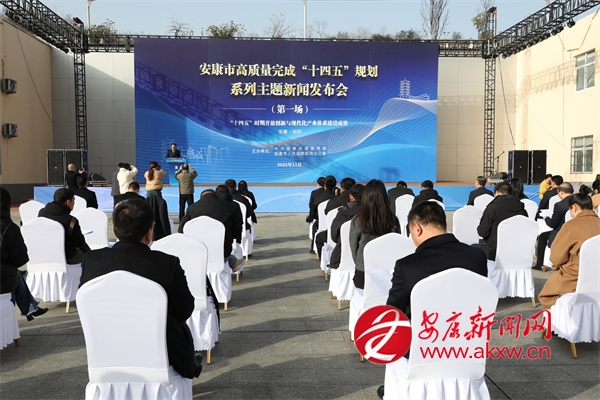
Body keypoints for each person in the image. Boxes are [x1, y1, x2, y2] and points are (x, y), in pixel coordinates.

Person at [378, 201, 488, 400]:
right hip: (467, 347)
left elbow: (393, 313)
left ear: (417, 228)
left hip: (421, 353)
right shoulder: (477, 257)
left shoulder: (406, 266)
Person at [79, 199, 200, 379]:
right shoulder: (167, 263)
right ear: (149, 233)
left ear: (113, 229)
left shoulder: (91, 260)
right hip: (158, 350)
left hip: (106, 346)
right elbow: (185, 310)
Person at [538, 186, 600, 309]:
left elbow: (556, 257)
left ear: (574, 208)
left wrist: (558, 267)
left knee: (546, 295)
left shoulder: (570, 225)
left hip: (575, 277)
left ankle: (559, 319)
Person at [0, 188, 48, 321]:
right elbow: (20, 259)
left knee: (13, 272)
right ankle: (30, 307)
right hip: (3, 283)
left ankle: (30, 307)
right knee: (14, 272)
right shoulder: (8, 227)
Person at [349, 179, 400, 289]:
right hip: (388, 274)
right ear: (384, 197)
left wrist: (360, 264)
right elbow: (397, 245)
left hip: (363, 275)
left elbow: (354, 248)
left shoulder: (357, 221)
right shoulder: (393, 221)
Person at [178, 189, 244, 271]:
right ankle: (232, 261)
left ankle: (232, 261)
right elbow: (237, 228)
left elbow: (181, 230)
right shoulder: (229, 207)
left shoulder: (191, 208)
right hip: (222, 250)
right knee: (222, 250)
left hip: (197, 251)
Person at [475, 182, 528, 261]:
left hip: (494, 250)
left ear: (497, 192)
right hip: (517, 251)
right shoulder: (522, 210)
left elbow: (482, 232)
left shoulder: (492, 208)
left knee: (472, 249)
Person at [38, 188, 91, 264]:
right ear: (68, 202)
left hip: (44, 253)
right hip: (65, 257)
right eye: (73, 200)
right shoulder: (71, 221)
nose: (74, 203)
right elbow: (80, 243)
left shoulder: (41, 213)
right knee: (85, 255)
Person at [534, 183, 574, 270]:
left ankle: (540, 264)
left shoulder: (560, 205)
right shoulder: (579, 201)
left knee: (542, 236)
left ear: (561, 192)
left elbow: (553, 224)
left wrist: (546, 218)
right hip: (575, 231)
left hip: (561, 232)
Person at [314, 177, 356, 257]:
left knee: (319, 237)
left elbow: (326, 213)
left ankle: (322, 260)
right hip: (358, 236)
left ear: (341, 189)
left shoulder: (333, 202)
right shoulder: (364, 204)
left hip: (336, 235)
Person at [328, 183, 363, 270]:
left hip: (340, 257)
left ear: (351, 197)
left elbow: (334, 235)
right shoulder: (371, 213)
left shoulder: (343, 212)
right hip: (364, 259)